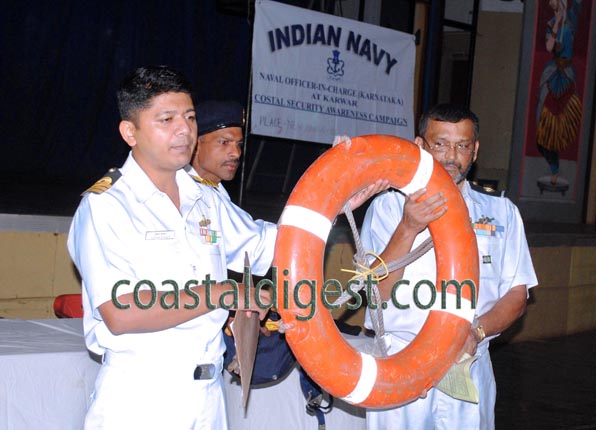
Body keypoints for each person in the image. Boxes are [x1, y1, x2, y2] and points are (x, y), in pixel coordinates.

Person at [67, 66, 271, 429]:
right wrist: (221, 293)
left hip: (208, 397)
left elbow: (268, 245)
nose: (185, 130)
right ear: (130, 132)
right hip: (143, 400)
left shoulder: (206, 197)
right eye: (167, 119)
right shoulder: (107, 205)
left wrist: (332, 200)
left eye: (190, 117)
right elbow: (120, 311)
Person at [361, 103, 538, 430]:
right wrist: (408, 228)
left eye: (462, 146)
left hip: (468, 364)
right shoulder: (389, 208)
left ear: (475, 151)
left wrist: (477, 331)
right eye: (440, 144)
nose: (451, 156)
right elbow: (377, 293)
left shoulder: (501, 212)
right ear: (420, 145)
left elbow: (517, 294)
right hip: (401, 362)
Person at [536, 0, 583, 187]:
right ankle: (553, 167)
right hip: (553, 74)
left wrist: (564, 17)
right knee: (544, 124)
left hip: (566, 75)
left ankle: (558, 169)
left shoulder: (571, 18)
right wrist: (556, 24)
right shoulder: (551, 23)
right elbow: (550, 47)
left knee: (565, 122)